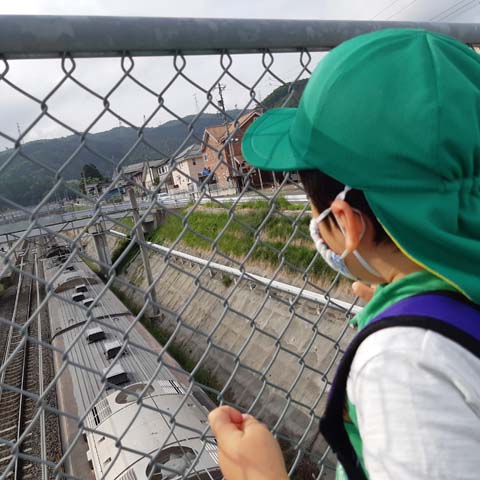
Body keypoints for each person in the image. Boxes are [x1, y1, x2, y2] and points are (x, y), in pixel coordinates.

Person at [207, 28, 480, 479]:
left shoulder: (403, 365)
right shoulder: (447, 311)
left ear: (346, 221)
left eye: (311, 207)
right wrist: (421, 304)